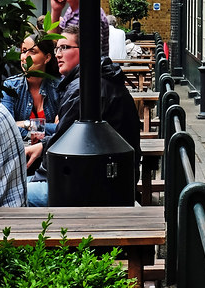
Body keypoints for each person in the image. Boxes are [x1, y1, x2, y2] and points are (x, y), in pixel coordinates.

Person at [25, 23, 141, 206]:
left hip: (90, 186)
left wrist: (36, 177)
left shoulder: (84, 89)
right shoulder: (93, 81)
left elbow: (65, 148)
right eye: (57, 48)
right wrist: (44, 145)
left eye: (64, 47)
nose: (58, 54)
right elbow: (69, 136)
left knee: (11, 194)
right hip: (109, 181)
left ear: (84, 51)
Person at [1, 32, 61, 140]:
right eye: (24, 51)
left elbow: (63, 129)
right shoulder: (11, 86)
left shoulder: (59, 87)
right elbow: (5, 128)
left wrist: (25, 124)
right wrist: (43, 130)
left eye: (32, 51)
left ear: (47, 58)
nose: (25, 57)